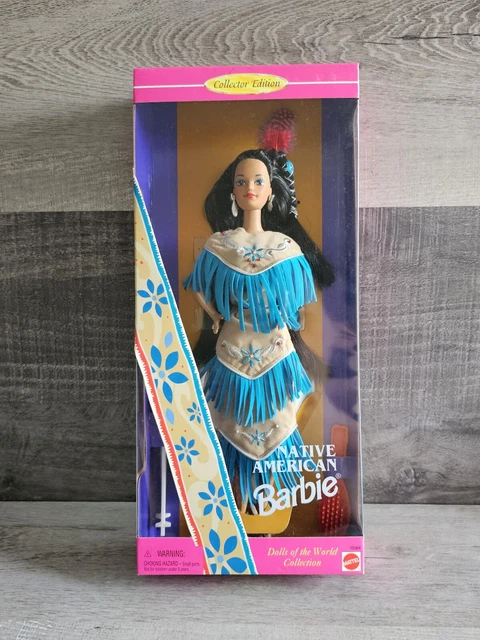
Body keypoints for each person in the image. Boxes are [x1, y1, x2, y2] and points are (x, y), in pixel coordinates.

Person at [183, 110, 334, 511]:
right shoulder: (220, 244)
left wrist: (279, 314)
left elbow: (297, 300)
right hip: (232, 346)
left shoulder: (285, 248)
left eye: (258, 181)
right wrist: (216, 316)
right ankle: (235, 499)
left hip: (276, 350)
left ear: (271, 192)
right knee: (229, 415)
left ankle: (266, 500)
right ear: (232, 192)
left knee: (277, 414)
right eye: (241, 181)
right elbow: (197, 286)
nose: (249, 187)